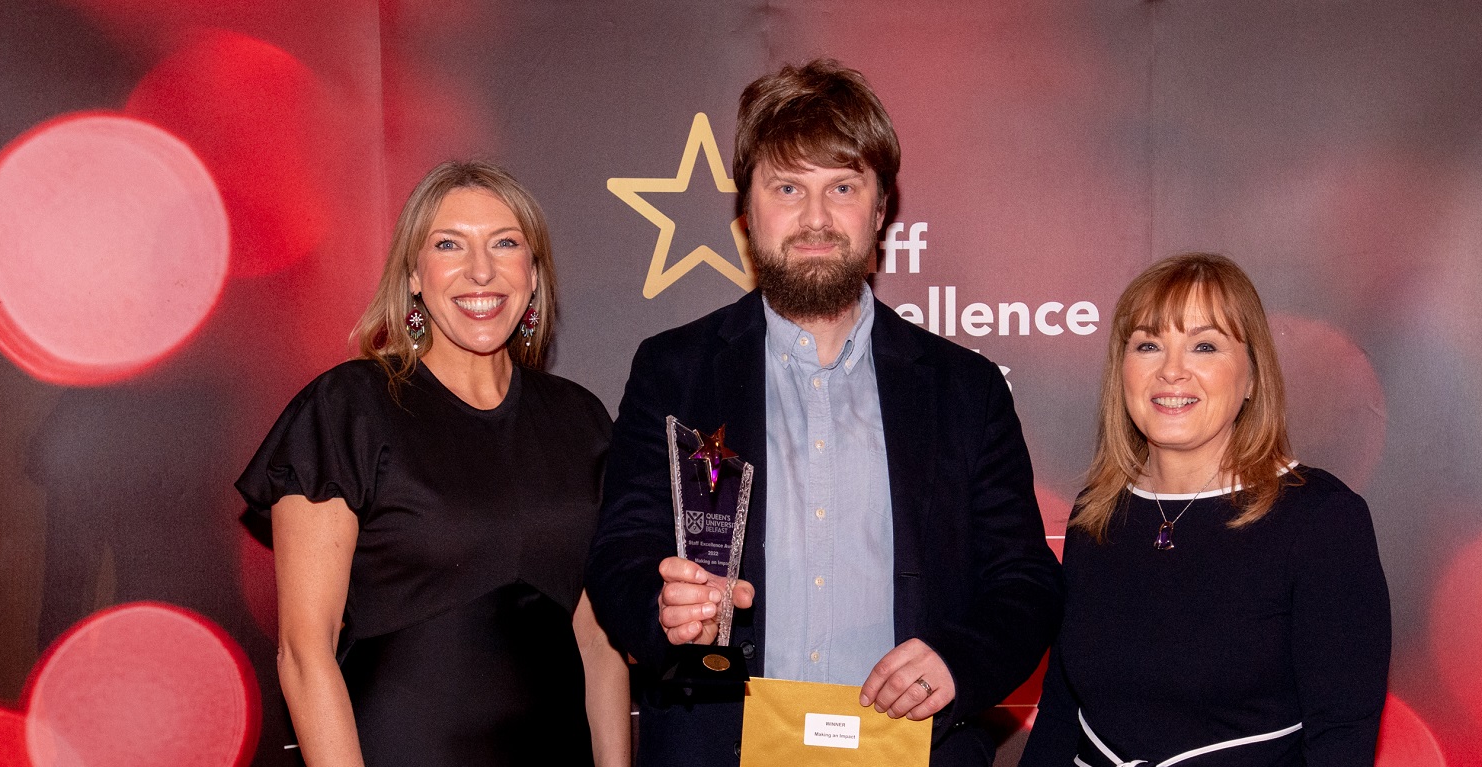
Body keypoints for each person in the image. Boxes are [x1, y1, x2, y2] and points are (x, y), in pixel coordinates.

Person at [585, 59, 1062, 767]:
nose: (815, 218)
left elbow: (1024, 582)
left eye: (842, 186)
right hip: (720, 747)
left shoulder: (966, 389)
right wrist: (663, 610)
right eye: (787, 188)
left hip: (915, 752)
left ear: (880, 209)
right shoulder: (675, 370)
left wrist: (957, 660)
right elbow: (619, 554)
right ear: (747, 213)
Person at [236, 161, 630, 767]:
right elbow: (303, 651)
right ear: (415, 275)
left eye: (505, 244)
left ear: (532, 273)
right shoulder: (349, 409)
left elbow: (599, 643)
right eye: (449, 244)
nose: (481, 270)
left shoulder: (580, 421)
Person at [1019, 253, 1391, 767]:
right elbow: (1061, 715)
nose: (1172, 370)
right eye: (1148, 345)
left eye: (1205, 346)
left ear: (1253, 377)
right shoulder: (1095, 515)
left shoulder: (1321, 520)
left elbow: (1342, 740)